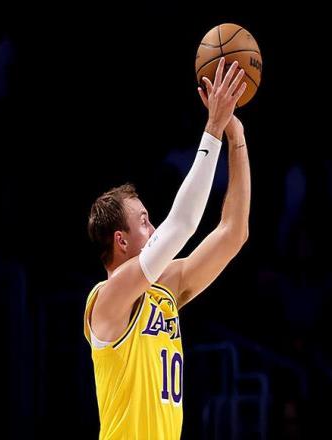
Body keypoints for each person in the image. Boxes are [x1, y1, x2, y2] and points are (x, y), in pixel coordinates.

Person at [83, 58, 251, 439]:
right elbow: (181, 225)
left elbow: (233, 233)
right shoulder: (107, 300)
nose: (154, 227)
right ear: (120, 240)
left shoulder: (164, 290)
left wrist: (235, 135)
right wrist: (212, 128)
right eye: (144, 221)